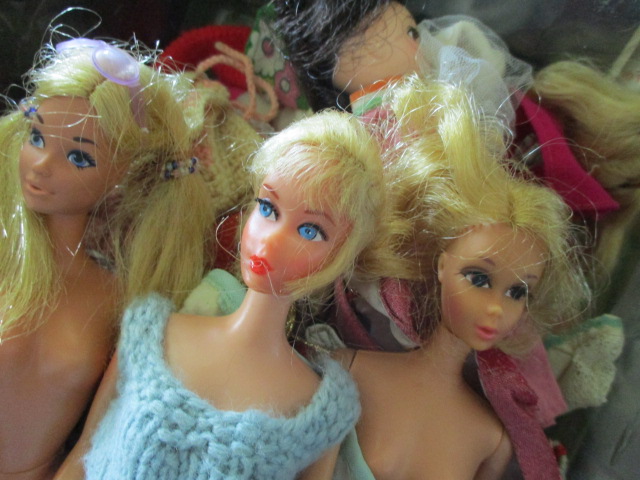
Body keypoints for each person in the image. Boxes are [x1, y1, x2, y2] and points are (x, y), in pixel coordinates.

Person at [55, 109, 395, 480]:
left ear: (339, 258)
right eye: (268, 208)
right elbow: (81, 456)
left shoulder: (316, 412)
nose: (270, 240)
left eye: (310, 231)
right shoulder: (153, 332)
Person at [0, 36, 257, 479]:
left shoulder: (120, 298)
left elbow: (96, 439)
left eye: (79, 157)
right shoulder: (9, 254)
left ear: (121, 176)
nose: (41, 164)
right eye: (36, 136)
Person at [322, 76, 590, 479]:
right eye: (478, 278)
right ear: (442, 266)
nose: (496, 307)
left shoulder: (493, 439)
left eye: (518, 292)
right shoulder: (348, 367)